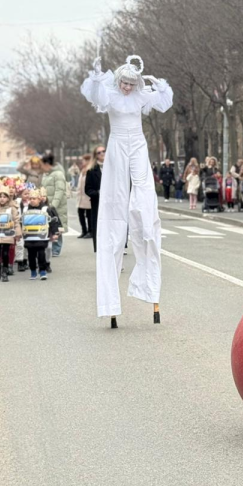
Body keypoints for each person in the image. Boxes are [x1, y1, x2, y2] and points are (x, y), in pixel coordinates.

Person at [81, 54, 173, 327]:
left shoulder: (140, 96)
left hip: (137, 144)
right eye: (124, 83)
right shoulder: (110, 94)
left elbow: (164, 103)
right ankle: (110, 302)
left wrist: (160, 86)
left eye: (131, 84)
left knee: (143, 193)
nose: (127, 87)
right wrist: (97, 79)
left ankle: (148, 284)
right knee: (115, 200)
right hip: (118, 144)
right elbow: (96, 96)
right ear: (118, 81)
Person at [21, 188, 58, 280]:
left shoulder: (45, 209)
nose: (32, 200)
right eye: (30, 199)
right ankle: (33, 271)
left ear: (39, 199)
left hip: (42, 236)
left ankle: (42, 271)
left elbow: (52, 222)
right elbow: (20, 222)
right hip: (29, 236)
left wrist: (54, 233)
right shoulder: (25, 209)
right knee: (31, 255)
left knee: (41, 253)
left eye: (34, 198)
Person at [40, 153, 69, 257]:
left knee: (57, 227)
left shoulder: (58, 174)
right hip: (47, 205)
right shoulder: (46, 174)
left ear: (47, 164)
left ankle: (56, 249)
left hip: (56, 207)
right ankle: (50, 247)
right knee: (49, 226)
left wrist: (53, 206)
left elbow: (59, 190)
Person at [85, 146, 104, 251]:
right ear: (95, 156)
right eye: (99, 152)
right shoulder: (92, 170)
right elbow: (87, 189)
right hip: (98, 203)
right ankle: (100, 249)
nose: (102, 153)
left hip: (113, 204)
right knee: (99, 226)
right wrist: (98, 193)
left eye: (104, 151)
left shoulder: (113, 168)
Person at [76, 153, 92, 238]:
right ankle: (84, 231)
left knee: (89, 215)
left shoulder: (91, 170)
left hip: (88, 197)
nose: (83, 162)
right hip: (81, 197)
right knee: (80, 214)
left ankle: (90, 231)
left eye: (84, 160)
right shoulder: (82, 170)